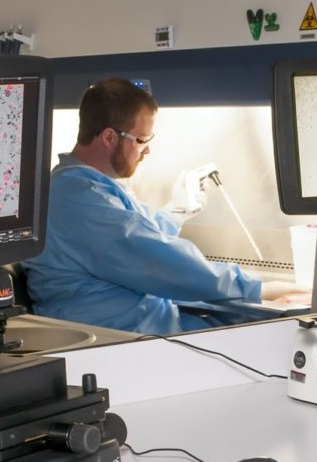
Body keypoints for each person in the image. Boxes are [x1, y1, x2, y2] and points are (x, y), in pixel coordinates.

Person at [22, 78, 301, 335]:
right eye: (142, 141)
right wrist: (257, 288)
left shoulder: (87, 186)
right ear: (108, 137)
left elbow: (137, 242)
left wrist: (176, 211)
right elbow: (152, 259)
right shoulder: (78, 197)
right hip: (118, 343)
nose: (147, 151)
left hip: (145, 329)